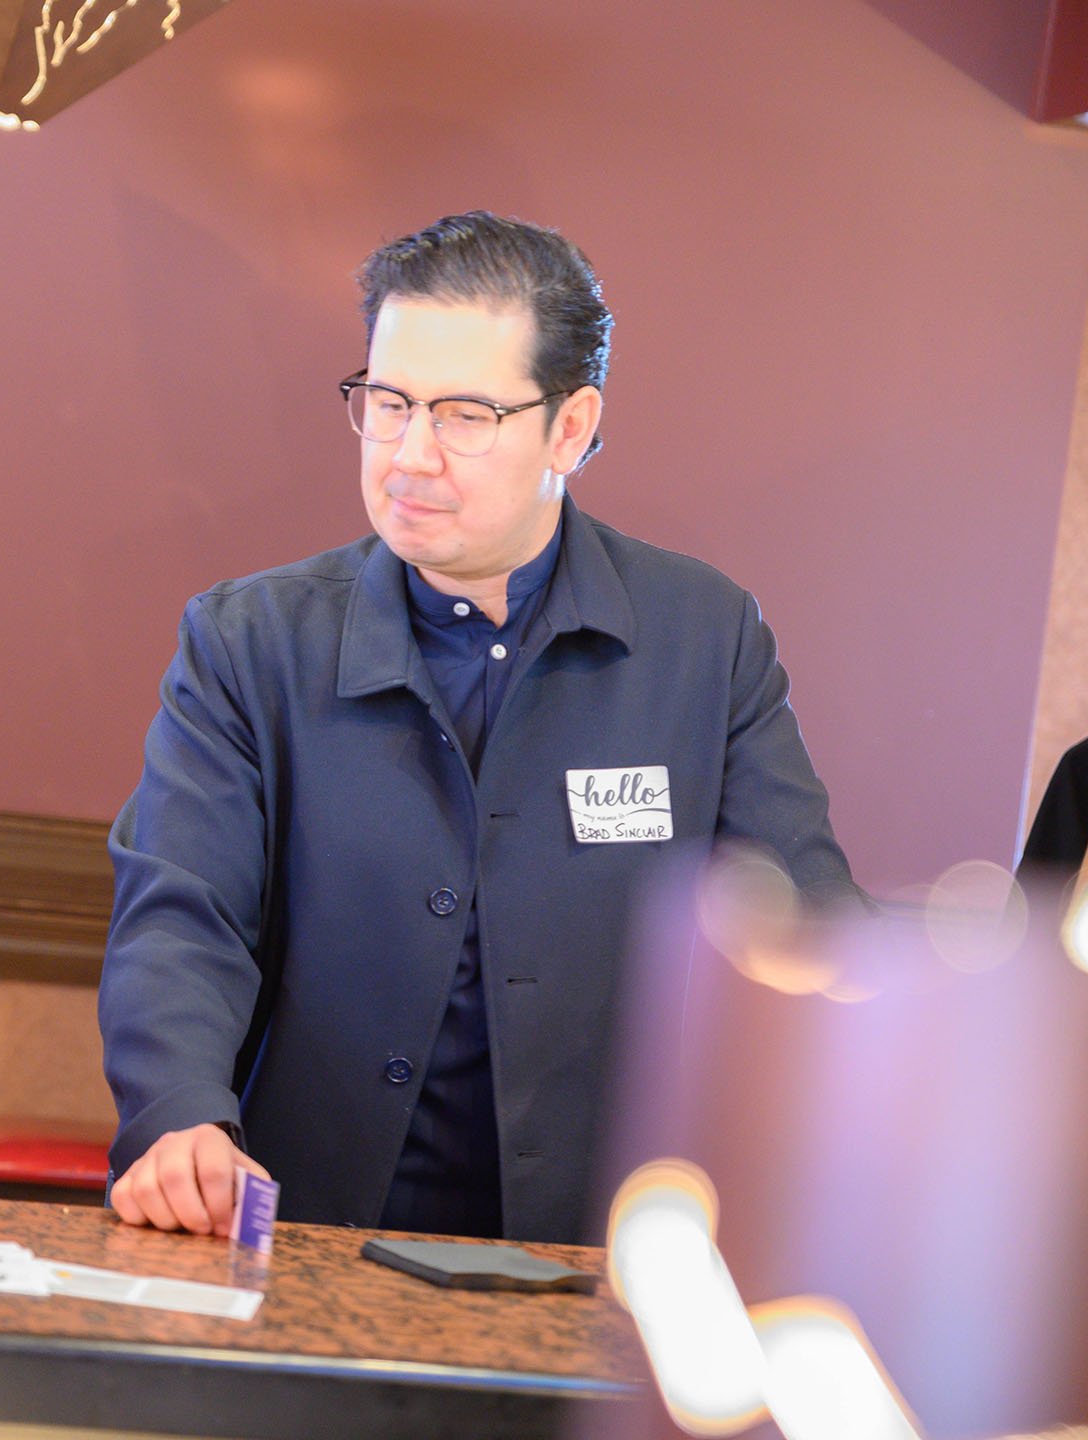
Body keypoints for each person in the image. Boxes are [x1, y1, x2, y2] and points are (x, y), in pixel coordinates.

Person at [99, 212, 858, 1245]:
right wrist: (181, 1114)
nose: (409, 457)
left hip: (598, 1248)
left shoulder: (701, 638)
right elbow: (182, 917)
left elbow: (803, 930)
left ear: (571, 428)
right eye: (388, 404)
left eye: (463, 415)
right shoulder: (251, 640)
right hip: (309, 1233)